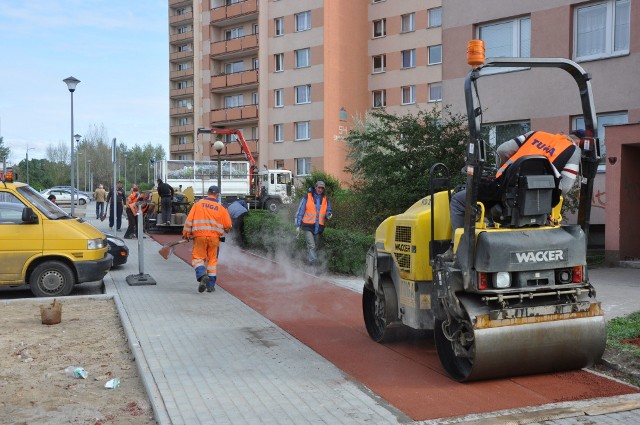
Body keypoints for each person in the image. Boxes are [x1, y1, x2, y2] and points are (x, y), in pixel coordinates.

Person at [445, 130, 583, 259]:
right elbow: (564, 187)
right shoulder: (573, 151)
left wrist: (503, 175)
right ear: (578, 142)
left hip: (505, 192)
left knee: (458, 200)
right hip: (539, 204)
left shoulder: (536, 134)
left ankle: (456, 248)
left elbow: (503, 150)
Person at [182, 185, 232, 293]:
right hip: (214, 238)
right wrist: (226, 229)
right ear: (217, 195)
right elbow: (228, 225)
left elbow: (189, 220)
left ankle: (202, 275)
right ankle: (210, 286)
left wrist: (186, 233)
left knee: (198, 258)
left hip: (199, 236)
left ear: (207, 193)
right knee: (212, 261)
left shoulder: (198, 204)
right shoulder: (221, 208)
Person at [295, 180, 333, 267]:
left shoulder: (325, 199)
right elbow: (301, 210)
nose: (320, 190)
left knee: (314, 246)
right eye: (319, 187)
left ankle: (309, 262)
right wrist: (297, 224)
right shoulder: (307, 197)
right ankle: (314, 265)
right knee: (312, 245)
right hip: (307, 226)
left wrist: (329, 214)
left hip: (319, 227)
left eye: (322, 188)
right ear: (315, 187)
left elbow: (328, 210)